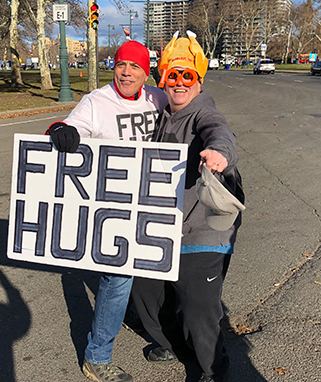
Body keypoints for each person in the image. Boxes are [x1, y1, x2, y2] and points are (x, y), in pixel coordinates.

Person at [45, 40, 168, 382]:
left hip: (149, 200)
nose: (127, 72)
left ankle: (140, 319)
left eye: (135, 67)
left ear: (146, 72)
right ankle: (97, 357)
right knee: (117, 277)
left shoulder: (155, 98)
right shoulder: (96, 102)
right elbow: (70, 129)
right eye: (121, 65)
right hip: (111, 208)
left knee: (152, 270)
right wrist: (60, 132)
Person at [130, 31, 245, 382]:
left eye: (187, 76)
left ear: (198, 79)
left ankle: (214, 370)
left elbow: (220, 133)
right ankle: (177, 346)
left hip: (204, 230)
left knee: (199, 310)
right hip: (163, 227)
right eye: (173, 75)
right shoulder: (161, 114)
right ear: (163, 78)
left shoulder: (202, 113)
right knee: (147, 294)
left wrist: (219, 154)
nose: (179, 83)